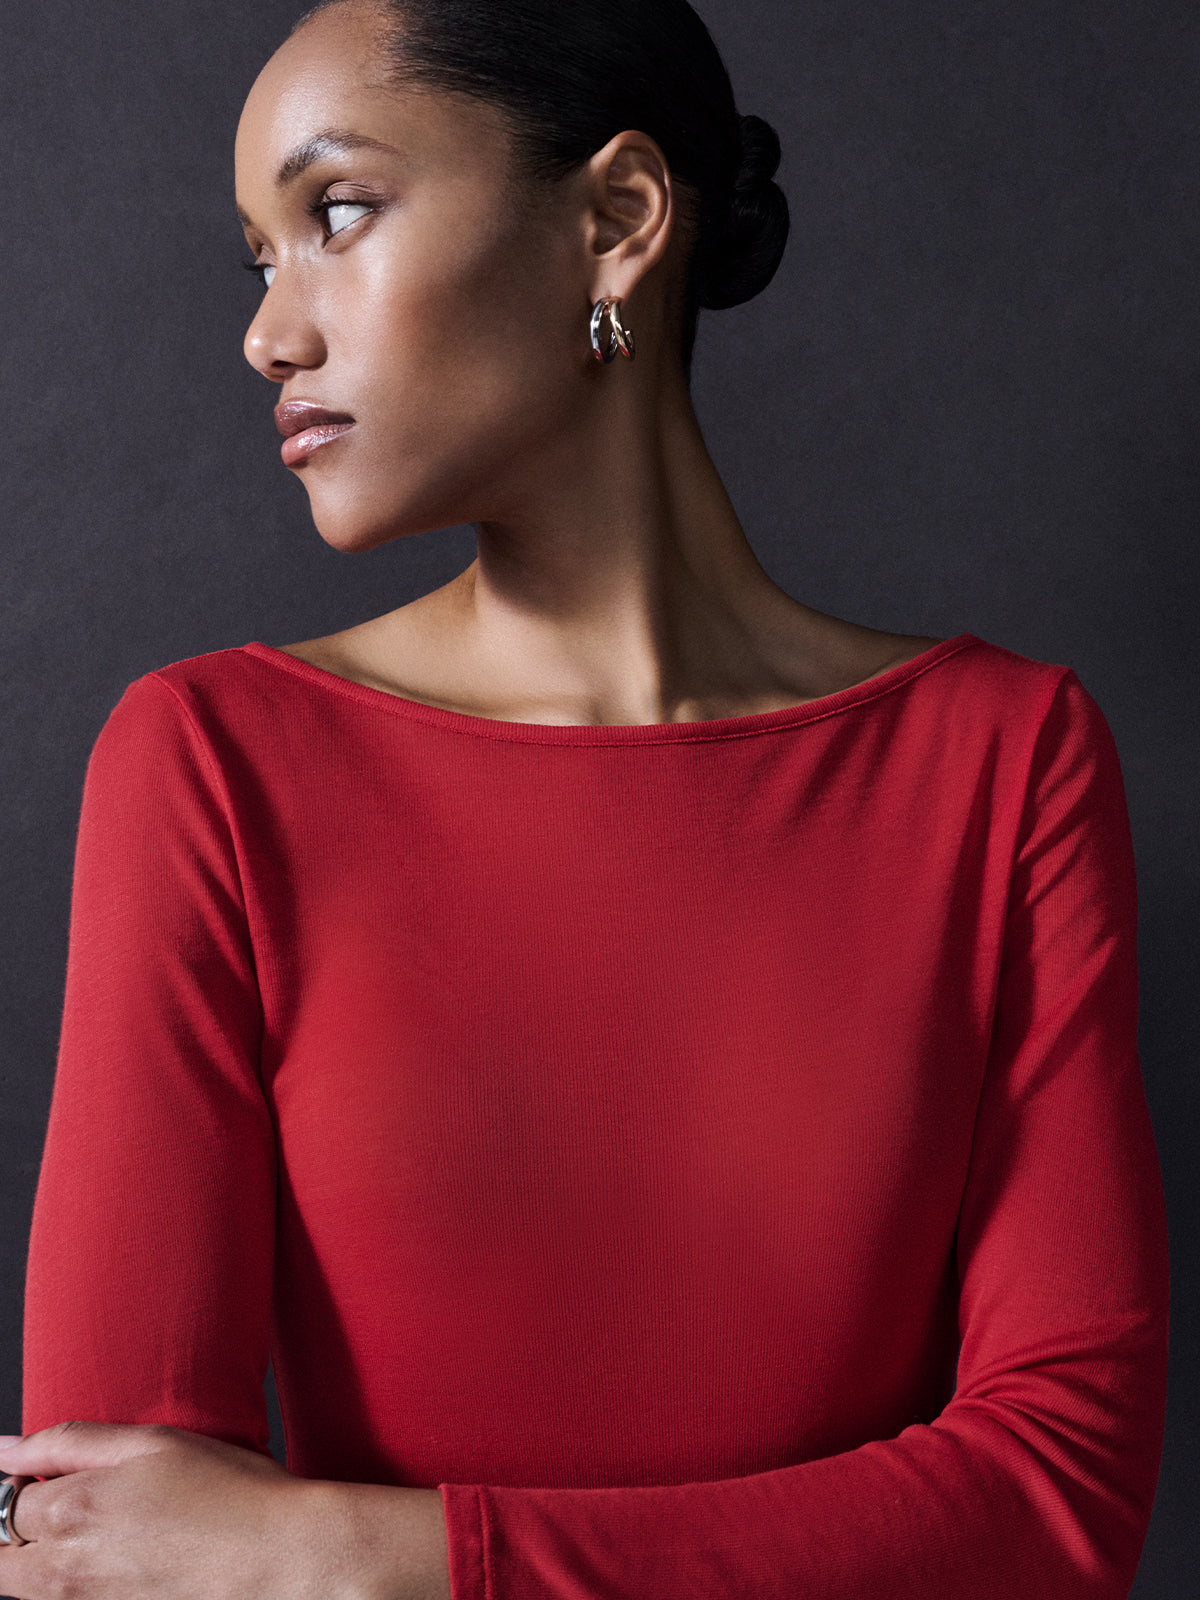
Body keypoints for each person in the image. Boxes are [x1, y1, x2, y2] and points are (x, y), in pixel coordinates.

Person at [1, 0, 1170, 1596]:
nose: (272, 335)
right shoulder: (211, 764)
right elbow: (104, 1549)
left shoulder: (1002, 761)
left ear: (617, 219)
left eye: (336, 213)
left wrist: (370, 1559)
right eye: (259, 258)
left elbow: (1058, 1504)